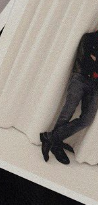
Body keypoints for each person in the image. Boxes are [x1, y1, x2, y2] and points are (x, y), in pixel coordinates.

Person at [40, 30, 98, 164]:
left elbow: (93, 63)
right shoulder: (89, 38)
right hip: (80, 78)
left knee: (87, 120)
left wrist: (95, 59)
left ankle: (49, 138)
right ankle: (56, 145)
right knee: (67, 112)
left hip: (95, 86)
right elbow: (86, 63)